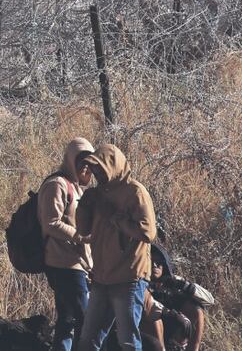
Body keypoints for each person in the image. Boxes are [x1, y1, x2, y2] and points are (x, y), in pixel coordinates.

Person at [76, 144, 157, 351]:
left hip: (128, 277)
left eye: (100, 168)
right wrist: (84, 206)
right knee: (88, 339)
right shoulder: (97, 194)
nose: (96, 173)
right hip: (102, 277)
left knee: (128, 341)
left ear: (113, 166)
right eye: (94, 169)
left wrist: (116, 219)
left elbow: (148, 232)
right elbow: (83, 231)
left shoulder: (135, 192)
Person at [38, 138, 95, 351]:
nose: (86, 166)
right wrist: (81, 236)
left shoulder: (75, 187)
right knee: (86, 321)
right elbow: (51, 223)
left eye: (89, 161)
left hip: (76, 264)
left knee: (67, 321)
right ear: (71, 160)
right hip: (63, 264)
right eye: (81, 161)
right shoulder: (57, 184)